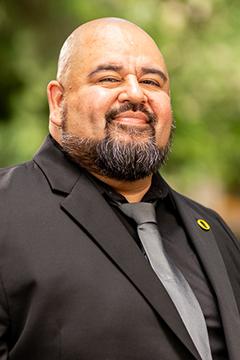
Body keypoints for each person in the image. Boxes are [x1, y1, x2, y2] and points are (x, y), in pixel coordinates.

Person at [0, 17, 239, 360]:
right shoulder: (6, 212)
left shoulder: (213, 231)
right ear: (58, 102)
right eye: (109, 78)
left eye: (151, 81)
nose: (136, 94)